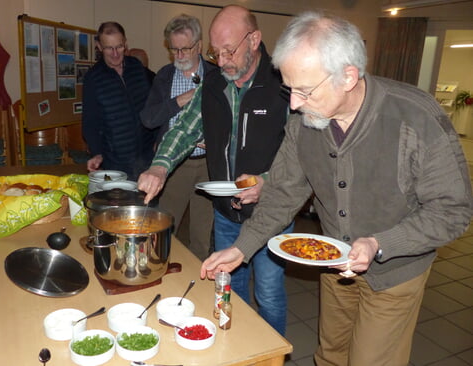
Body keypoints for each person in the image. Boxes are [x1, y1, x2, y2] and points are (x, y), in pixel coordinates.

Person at [200, 11, 473, 366]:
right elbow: (282, 194)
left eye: (304, 90)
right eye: (289, 89)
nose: (294, 104)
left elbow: (453, 210)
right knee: (329, 355)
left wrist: (379, 244)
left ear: (348, 76)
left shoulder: (416, 117)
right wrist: (242, 248)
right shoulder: (305, 124)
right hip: (334, 265)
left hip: (395, 273)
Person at [138, 5, 294, 335]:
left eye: (228, 51)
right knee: (229, 289)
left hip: (271, 213)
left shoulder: (284, 83)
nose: (221, 61)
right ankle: (234, 347)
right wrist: (160, 166)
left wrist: (266, 182)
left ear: (254, 40)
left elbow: (301, 155)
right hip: (227, 212)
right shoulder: (213, 84)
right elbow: (184, 130)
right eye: (215, 52)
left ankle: (271, 354)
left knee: (267, 294)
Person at [140, 14, 217, 260]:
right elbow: (148, 119)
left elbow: (230, 122)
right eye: (174, 49)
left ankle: (197, 285)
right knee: (163, 229)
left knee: (202, 235)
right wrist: (181, 100)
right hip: (174, 166)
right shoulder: (164, 76)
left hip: (208, 164)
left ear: (199, 46)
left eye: (185, 49)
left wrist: (214, 139)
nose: (180, 55)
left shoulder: (216, 76)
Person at [82, 22, 153, 180]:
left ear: (125, 43)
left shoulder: (137, 67)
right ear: (99, 46)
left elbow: (154, 105)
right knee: (121, 203)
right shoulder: (93, 78)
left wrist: (158, 140)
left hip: (148, 156)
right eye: (109, 48)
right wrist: (97, 153)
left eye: (119, 47)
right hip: (116, 162)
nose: (115, 53)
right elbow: (90, 123)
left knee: (149, 203)